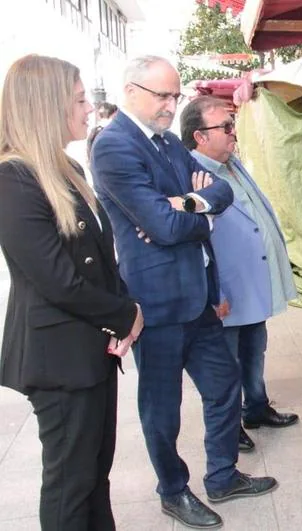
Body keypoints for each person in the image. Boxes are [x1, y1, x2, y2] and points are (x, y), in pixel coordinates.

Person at [90, 56, 277, 530]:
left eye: (175, 97)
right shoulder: (115, 147)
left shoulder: (170, 142)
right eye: (162, 96)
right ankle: (172, 491)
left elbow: (219, 191)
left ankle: (222, 476)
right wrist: (187, 214)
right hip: (155, 304)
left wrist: (190, 204)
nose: (171, 106)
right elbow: (161, 225)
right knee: (162, 407)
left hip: (198, 294)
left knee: (223, 386)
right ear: (131, 90)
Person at [0, 54, 144, 530]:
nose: (89, 109)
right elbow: (58, 280)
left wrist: (125, 309)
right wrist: (127, 316)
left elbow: (102, 258)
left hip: (89, 350)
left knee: (93, 476)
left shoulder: (62, 168)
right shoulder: (14, 179)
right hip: (59, 359)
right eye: (80, 100)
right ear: (47, 106)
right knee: (69, 484)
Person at [179, 96, 299, 453]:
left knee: (254, 350)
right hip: (227, 289)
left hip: (251, 281)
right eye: (226, 127)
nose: (234, 133)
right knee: (225, 365)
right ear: (200, 136)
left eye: (233, 125)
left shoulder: (230, 163)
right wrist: (215, 292)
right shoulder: (192, 176)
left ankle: (256, 408)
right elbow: (196, 242)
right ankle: (229, 427)